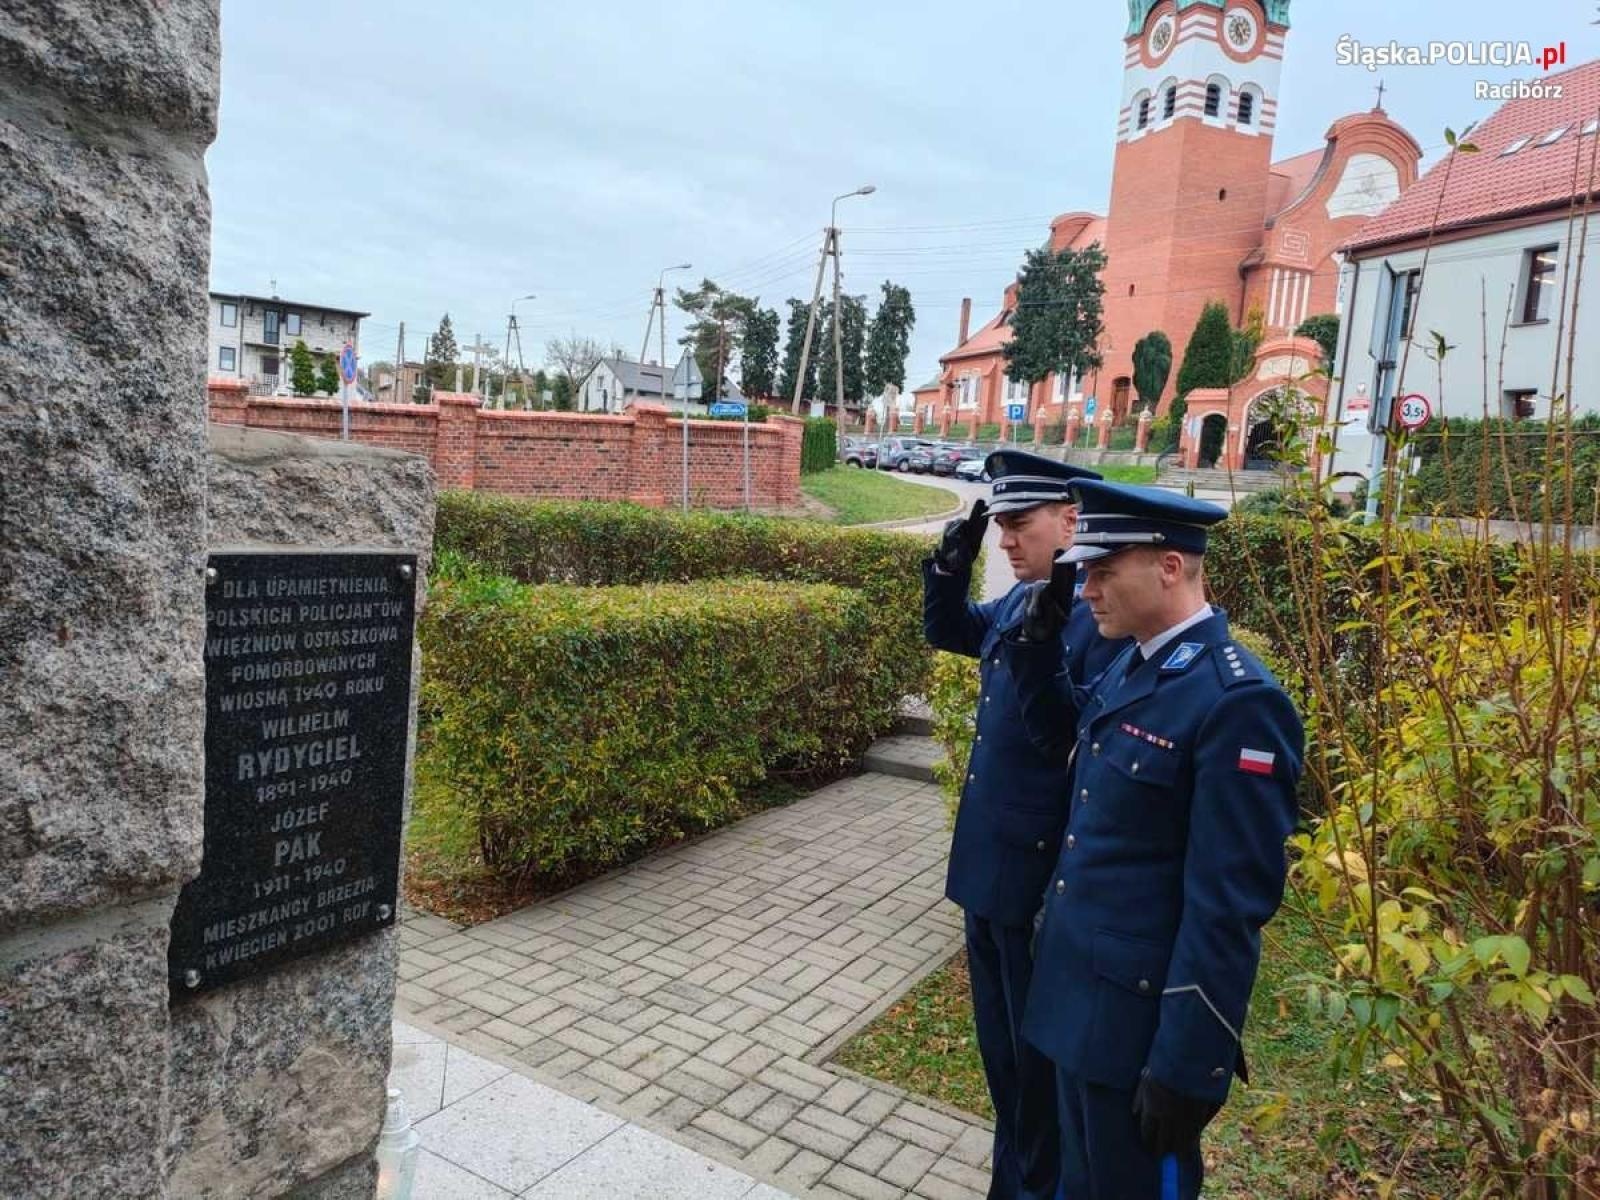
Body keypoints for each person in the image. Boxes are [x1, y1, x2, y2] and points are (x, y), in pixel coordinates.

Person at [1022, 479, 1305, 1200]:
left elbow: (1227, 906)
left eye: (1102, 570)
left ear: (1170, 566)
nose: (1085, 587)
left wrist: (1189, 1061)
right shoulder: (1138, 660)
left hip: (1141, 1034)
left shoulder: (1237, 702)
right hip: (1078, 1004)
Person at [922, 450, 1125, 1200]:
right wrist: (950, 570)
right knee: (1002, 1062)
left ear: (1072, 521)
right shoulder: (1022, 601)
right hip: (988, 870)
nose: (1005, 540)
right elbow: (954, 633)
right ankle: (1011, 1182)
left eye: (1017, 524)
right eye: (997, 526)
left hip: (1034, 880)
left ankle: (1028, 1188)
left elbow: (1067, 745)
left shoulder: (1096, 619)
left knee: (1032, 1072)